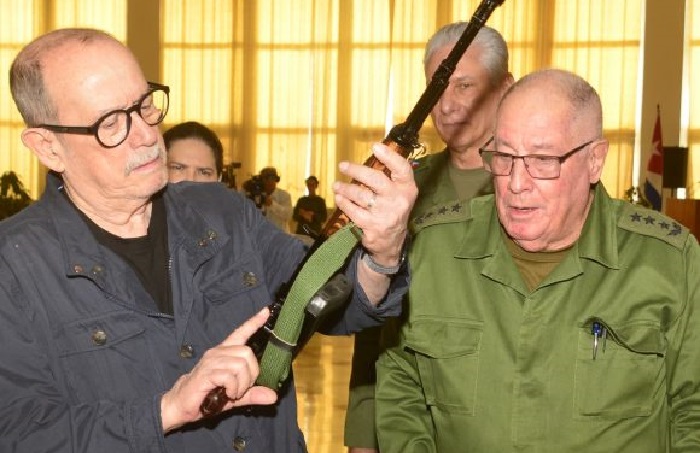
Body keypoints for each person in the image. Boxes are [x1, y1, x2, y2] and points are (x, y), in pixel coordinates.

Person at [0, 27, 418, 452]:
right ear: (47, 147)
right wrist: (166, 410)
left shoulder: (222, 213)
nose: (146, 135)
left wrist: (382, 252)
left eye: (145, 105)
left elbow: (328, 302)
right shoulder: (13, 270)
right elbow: (19, 434)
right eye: (110, 124)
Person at [375, 68, 700, 452]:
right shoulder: (433, 249)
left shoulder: (668, 262)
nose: (516, 183)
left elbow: (693, 411)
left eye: (543, 159)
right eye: (504, 156)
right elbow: (400, 376)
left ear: (595, 160)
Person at [344, 23, 513, 453]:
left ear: (505, 88)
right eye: (437, 88)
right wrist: (363, 436)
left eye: (464, 86)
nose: (447, 105)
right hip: (412, 425)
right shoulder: (401, 191)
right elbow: (375, 329)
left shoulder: (533, 189)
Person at [257, 166, 293, 232]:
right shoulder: (257, 195)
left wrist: (272, 204)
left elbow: (288, 215)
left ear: (276, 179)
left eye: (271, 178)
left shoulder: (284, 195)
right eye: (265, 179)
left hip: (280, 235)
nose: (268, 182)